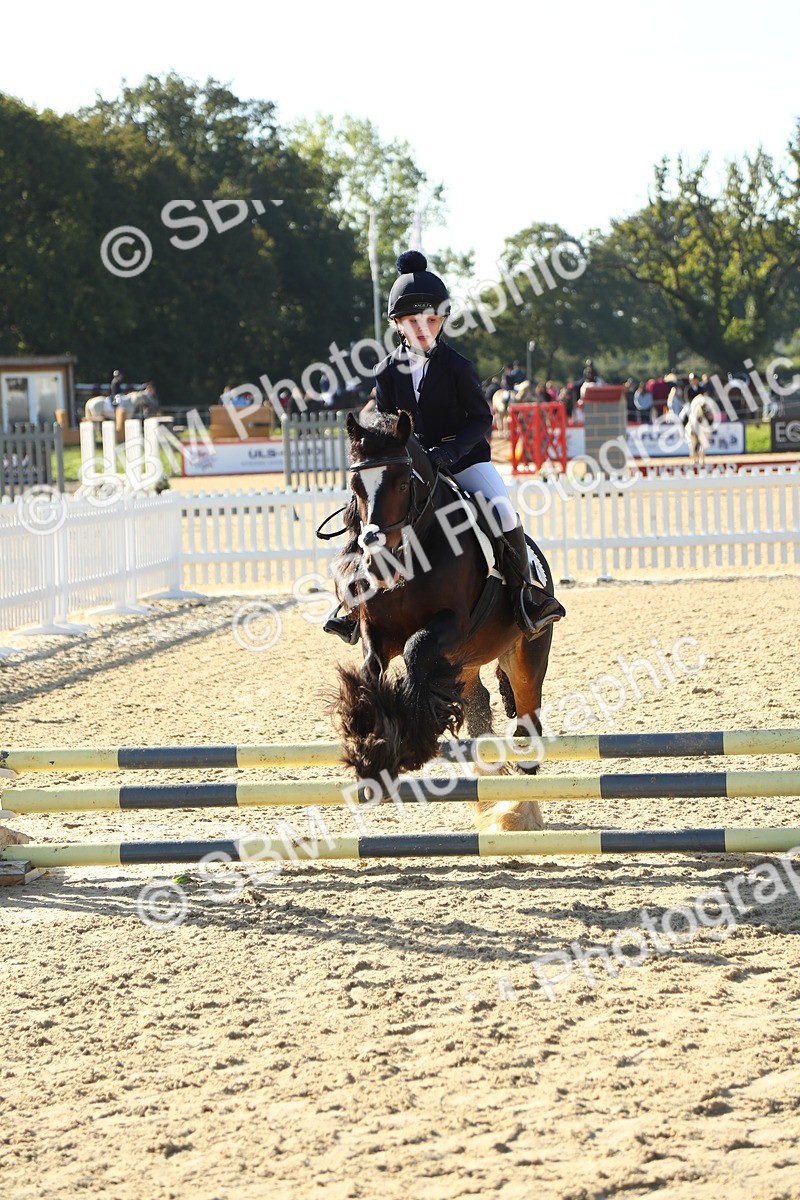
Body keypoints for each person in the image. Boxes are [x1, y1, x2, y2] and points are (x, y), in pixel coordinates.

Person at [324, 251, 565, 644]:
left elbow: (481, 420)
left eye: (432, 320)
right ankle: (352, 606)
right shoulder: (386, 371)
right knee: (362, 514)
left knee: (502, 510)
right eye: (413, 321)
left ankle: (526, 596)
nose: (424, 328)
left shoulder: (458, 366)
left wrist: (449, 454)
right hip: (410, 467)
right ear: (398, 324)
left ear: (441, 321)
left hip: (464, 461)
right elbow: (386, 425)